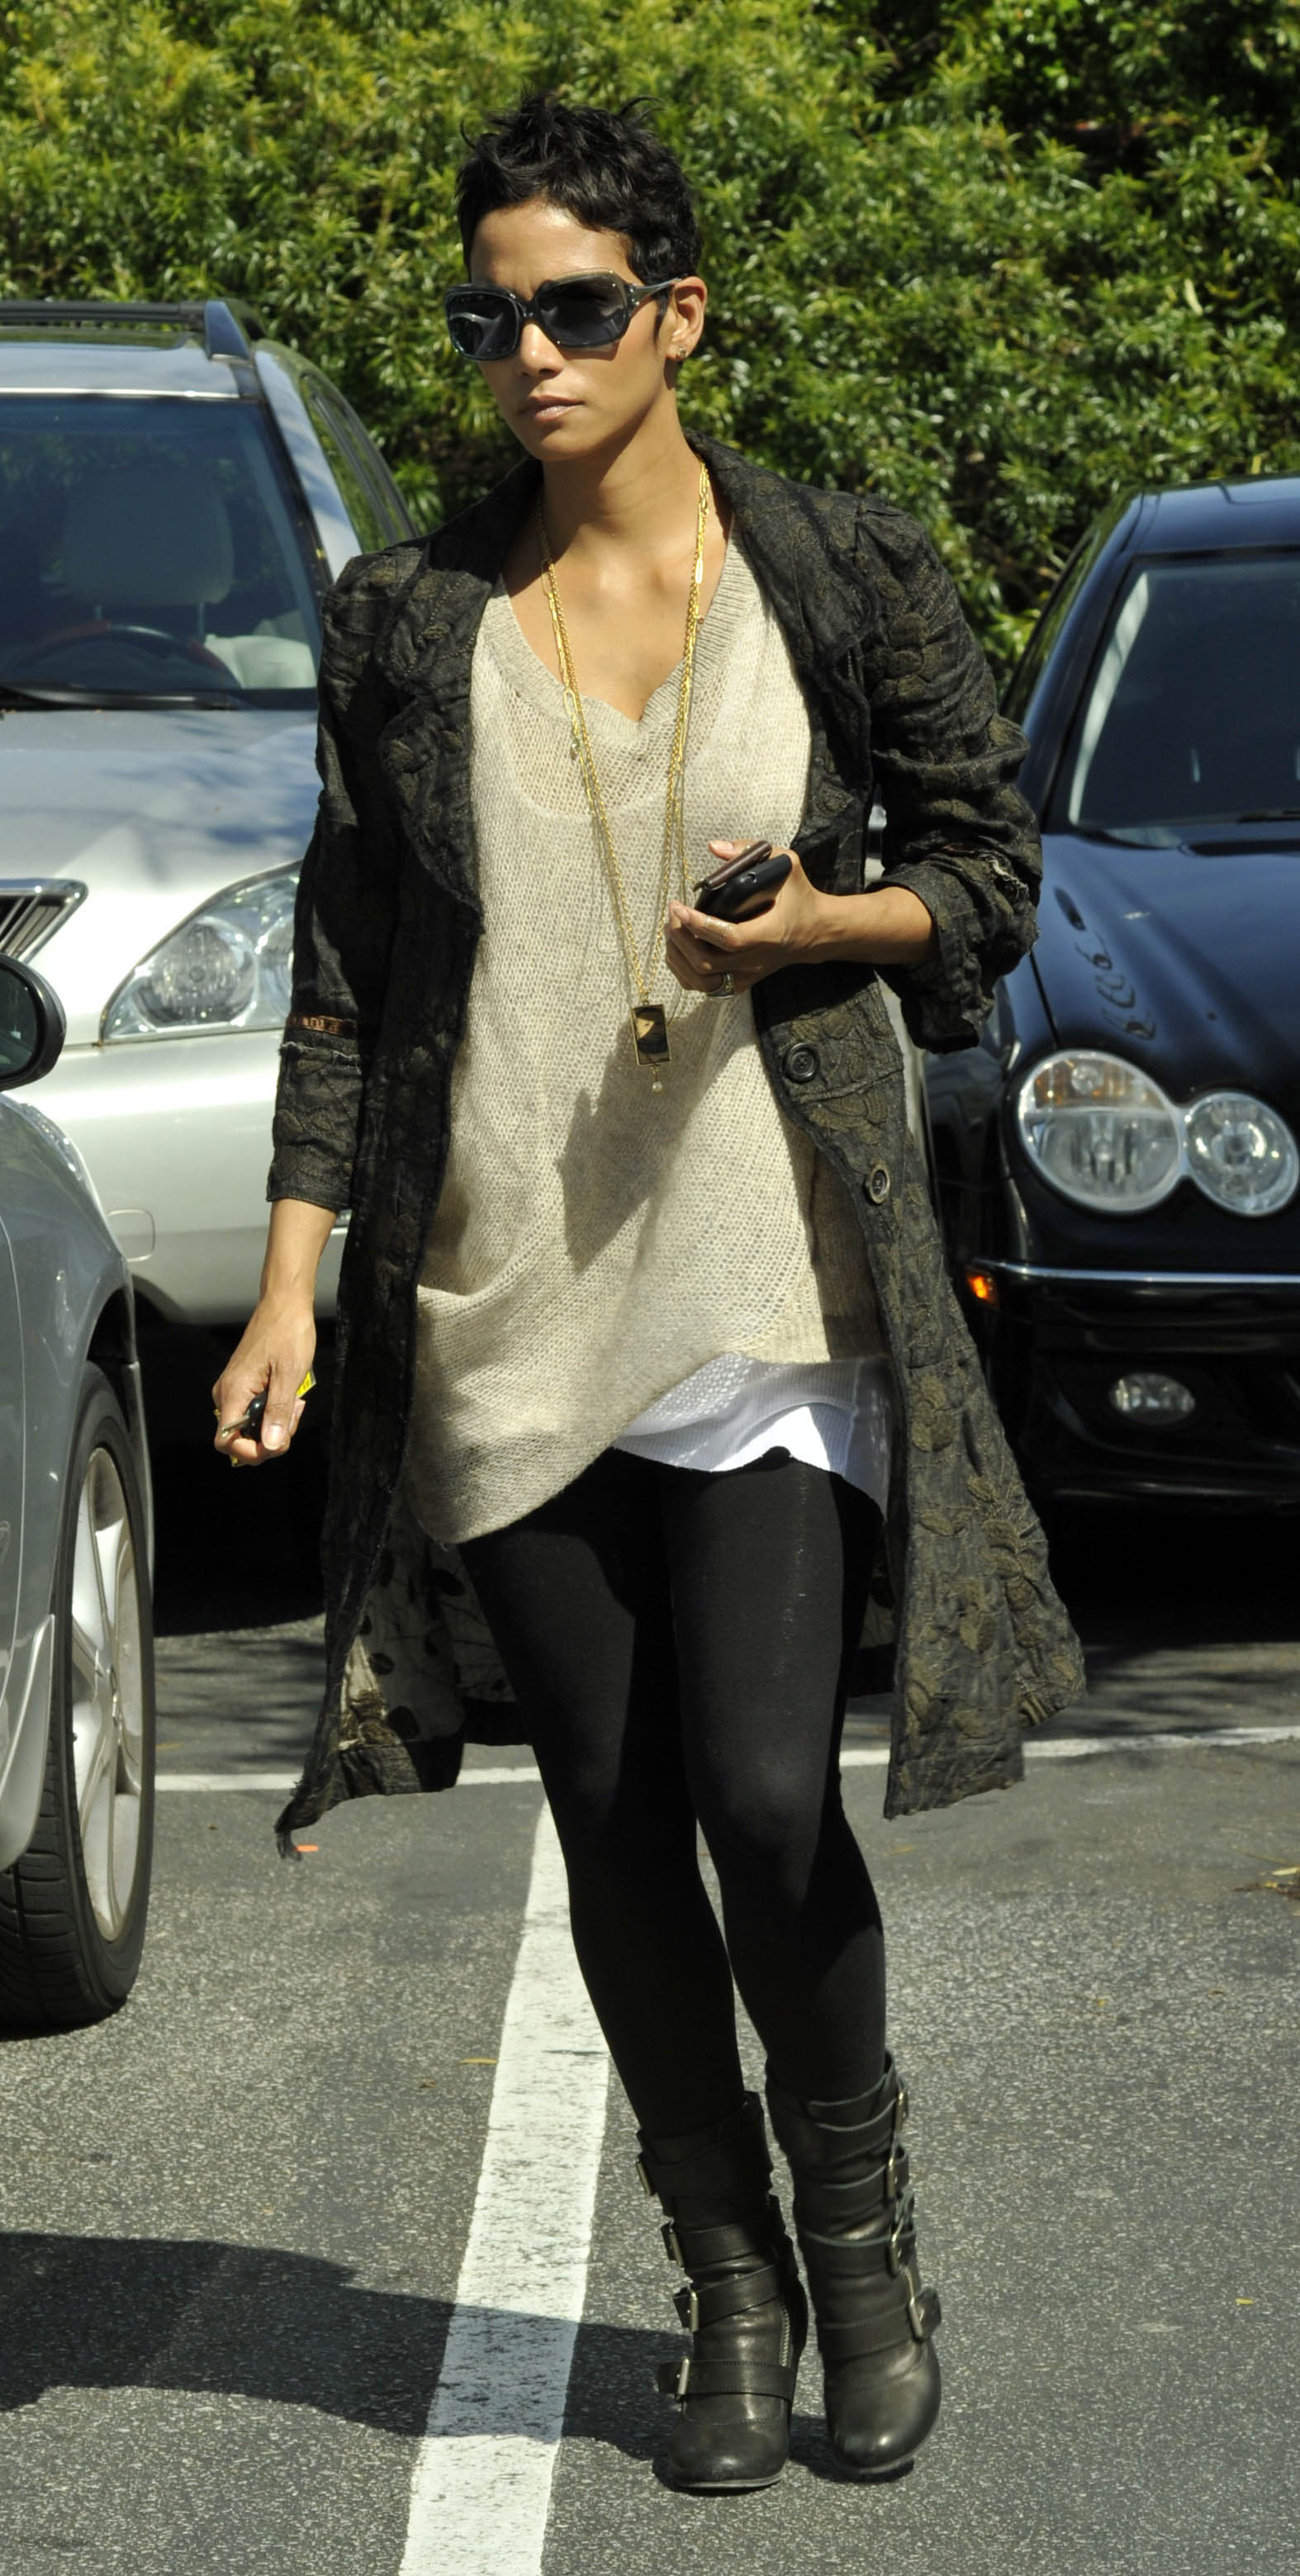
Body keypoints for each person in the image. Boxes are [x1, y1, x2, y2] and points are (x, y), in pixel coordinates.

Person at [214, 93, 1084, 2494]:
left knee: (766, 1795)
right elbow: (343, 974)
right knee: (607, 1810)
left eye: (578, 307)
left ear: (676, 315)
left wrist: (825, 929)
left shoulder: (838, 569)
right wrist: (292, 1288)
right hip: (504, 1283)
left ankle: (867, 2250)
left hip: (761, 1267)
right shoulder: (411, 623)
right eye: (491, 316)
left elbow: (996, 873)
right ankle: (729, 2280)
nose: (532, 352)